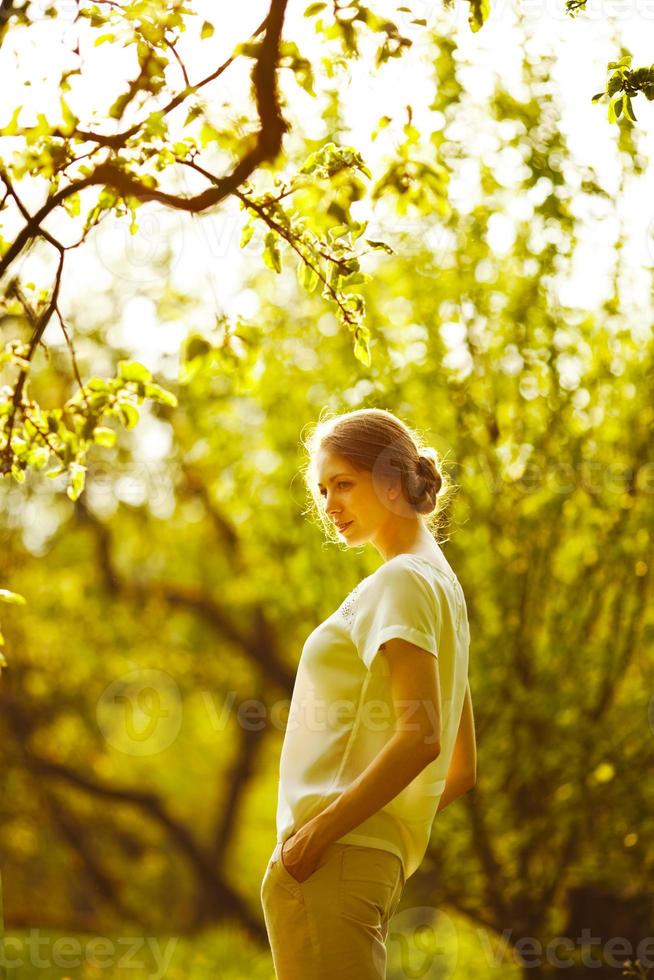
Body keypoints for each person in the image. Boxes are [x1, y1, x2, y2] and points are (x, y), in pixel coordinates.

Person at [260, 408, 476, 980]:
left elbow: (423, 739)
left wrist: (317, 840)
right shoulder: (443, 588)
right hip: (362, 867)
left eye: (343, 484)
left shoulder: (402, 582)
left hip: (329, 862)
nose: (330, 505)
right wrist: (382, 839)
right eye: (323, 489)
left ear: (390, 478)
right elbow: (461, 768)